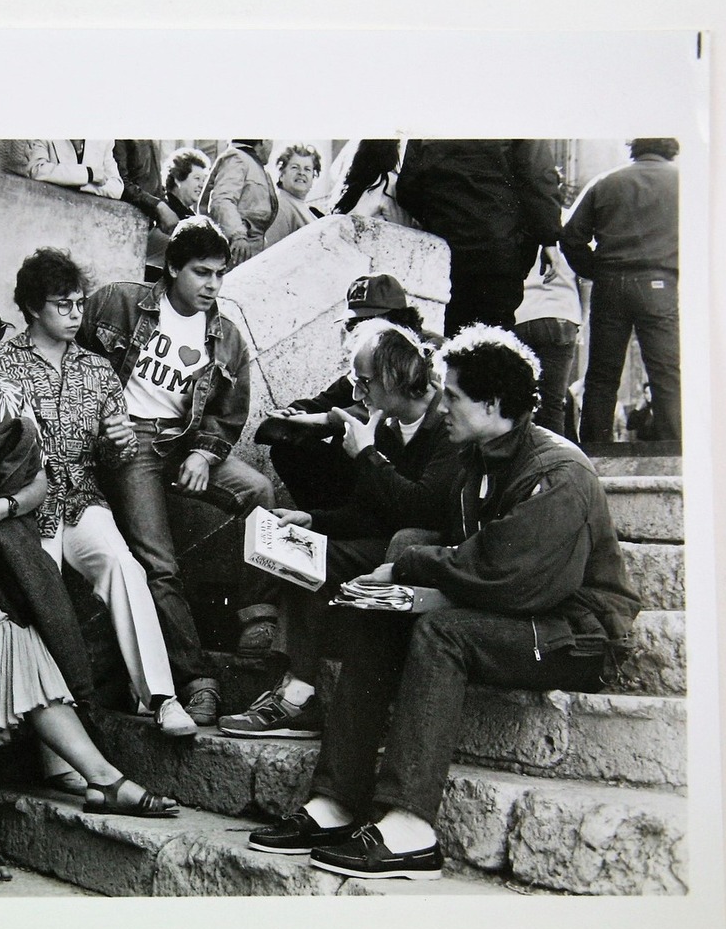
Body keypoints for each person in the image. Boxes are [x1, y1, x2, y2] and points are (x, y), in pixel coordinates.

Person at [246, 327, 641, 879]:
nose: (441, 401)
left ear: (494, 405)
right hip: (520, 613)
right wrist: (400, 584)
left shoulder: (559, 471)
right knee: (375, 617)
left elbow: (509, 574)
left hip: (573, 631)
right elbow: (466, 551)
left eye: (452, 395)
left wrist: (410, 567)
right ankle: (333, 804)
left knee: (442, 632)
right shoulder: (479, 455)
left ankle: (411, 828)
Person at [0, 287, 179, 878]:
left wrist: (3, 506)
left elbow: (40, 485)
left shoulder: (6, 397)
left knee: (29, 661)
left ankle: (104, 779)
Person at [78, 216, 281, 724]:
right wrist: (102, 427)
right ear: (171, 267)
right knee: (158, 559)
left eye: (219, 274)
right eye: (201, 273)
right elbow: (77, 365)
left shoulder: (227, 334)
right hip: (131, 439)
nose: (212, 285)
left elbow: (229, 412)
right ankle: (197, 679)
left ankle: (257, 617)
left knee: (259, 491)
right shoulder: (118, 303)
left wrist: (204, 454)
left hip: (186, 441)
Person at [0, 248, 197, 741]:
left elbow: (113, 458)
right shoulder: (2, 366)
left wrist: (118, 444)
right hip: (26, 510)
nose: (75, 314)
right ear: (32, 308)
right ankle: (47, 741)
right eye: (62, 305)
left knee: (123, 566)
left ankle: (162, 699)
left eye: (79, 303)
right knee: (36, 601)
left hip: (83, 500)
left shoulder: (98, 369)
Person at [220, 321, 459, 739]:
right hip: (390, 541)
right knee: (302, 552)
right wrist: (315, 521)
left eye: (364, 382)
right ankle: (297, 694)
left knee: (340, 556)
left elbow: (422, 509)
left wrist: (366, 454)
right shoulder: (387, 424)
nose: (357, 394)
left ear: (391, 378)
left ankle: (300, 695)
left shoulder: (446, 423)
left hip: (431, 550)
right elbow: (372, 511)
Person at [259, 273, 438, 513]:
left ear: (395, 319)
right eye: (351, 325)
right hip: (374, 466)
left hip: (408, 468)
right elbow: (330, 398)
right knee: (291, 448)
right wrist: (294, 415)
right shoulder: (369, 354)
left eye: (364, 323)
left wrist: (327, 419)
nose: (356, 332)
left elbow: (373, 410)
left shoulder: (429, 354)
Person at [560, 138, 681, 445]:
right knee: (666, 376)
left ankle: (595, 451)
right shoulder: (684, 183)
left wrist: (596, 270)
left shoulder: (606, 182)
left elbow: (571, 236)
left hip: (610, 283)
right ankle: (672, 452)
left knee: (601, 377)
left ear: (634, 147)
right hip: (659, 283)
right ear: (672, 147)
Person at [394, 139, 563, 334]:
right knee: (494, 338)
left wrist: (440, 218)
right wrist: (549, 239)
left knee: (451, 336)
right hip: (500, 251)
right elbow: (538, 177)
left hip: (446, 251)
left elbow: (408, 189)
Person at [514, 244, 582, 437]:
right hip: (561, 314)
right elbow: (585, 281)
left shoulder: (522, 228)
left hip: (522, 315)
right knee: (553, 402)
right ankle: (553, 460)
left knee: (521, 401)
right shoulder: (569, 232)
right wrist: (582, 318)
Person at [199, 139, 278, 266]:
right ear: (263, 140)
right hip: (236, 253)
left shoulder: (256, 167)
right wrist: (238, 235)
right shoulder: (237, 157)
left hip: (251, 255)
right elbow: (222, 201)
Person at [146, 146, 210, 280]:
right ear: (178, 178)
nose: (201, 185)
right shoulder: (164, 211)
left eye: (204, 180)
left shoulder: (191, 217)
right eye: (197, 178)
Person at [263, 143, 323, 248]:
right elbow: (272, 254)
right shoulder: (280, 206)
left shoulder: (301, 206)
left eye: (307, 169)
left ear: (313, 176)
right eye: (295, 167)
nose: (301, 173)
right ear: (282, 175)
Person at [25, 139, 124, 200]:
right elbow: (37, 169)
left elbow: (117, 188)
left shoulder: (103, 140)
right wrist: (89, 175)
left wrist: (74, 183)